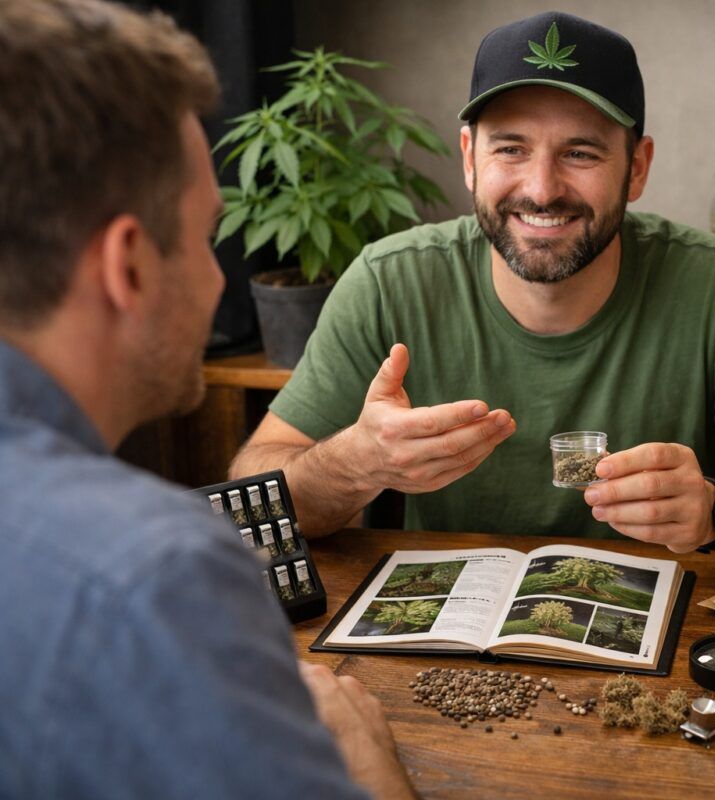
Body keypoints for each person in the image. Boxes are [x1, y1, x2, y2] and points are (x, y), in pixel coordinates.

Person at [230, 11, 715, 560]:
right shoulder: (387, 281)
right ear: (468, 157)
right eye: (510, 148)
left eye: (581, 153)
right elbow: (252, 490)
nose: (541, 189)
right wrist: (357, 463)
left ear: (637, 168)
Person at [0, 1, 413, 797]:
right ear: (128, 266)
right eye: (202, 237)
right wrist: (366, 755)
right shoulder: (158, 575)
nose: (221, 276)